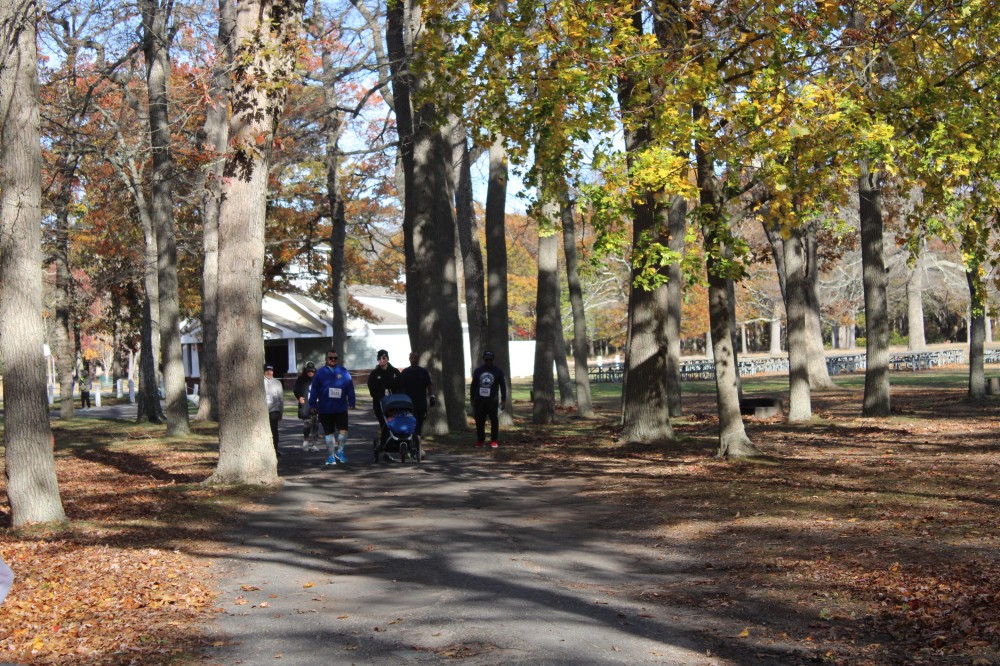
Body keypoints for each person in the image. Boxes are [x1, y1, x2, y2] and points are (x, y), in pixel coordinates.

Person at [309, 349, 356, 465]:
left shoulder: (343, 371)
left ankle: (340, 451)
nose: (333, 360)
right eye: (331, 358)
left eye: (335, 358)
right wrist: (312, 404)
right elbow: (314, 389)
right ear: (326, 359)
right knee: (329, 433)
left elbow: (350, 387)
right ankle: (331, 456)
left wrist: (352, 401)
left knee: (343, 431)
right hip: (325, 408)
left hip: (340, 408)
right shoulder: (320, 373)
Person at [470, 350, 506, 448]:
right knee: (479, 420)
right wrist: (472, 398)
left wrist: (503, 399)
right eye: (486, 360)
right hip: (480, 400)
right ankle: (480, 440)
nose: (488, 361)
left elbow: (503, 386)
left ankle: (494, 440)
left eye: (490, 359)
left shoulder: (498, 371)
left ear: (492, 359)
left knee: (494, 420)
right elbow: (473, 385)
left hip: (492, 400)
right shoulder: (478, 371)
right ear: (484, 359)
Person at [367, 349, 401, 445]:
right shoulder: (374, 373)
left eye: (383, 357)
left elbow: (401, 386)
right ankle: (385, 444)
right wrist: (378, 395)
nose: (381, 360)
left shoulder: (395, 372)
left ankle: (398, 441)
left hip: (394, 403)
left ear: (387, 359)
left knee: (395, 422)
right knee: (384, 424)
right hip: (380, 404)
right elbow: (371, 387)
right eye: (379, 358)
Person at [400, 351, 435, 439]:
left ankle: (417, 440)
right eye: (411, 358)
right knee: (411, 422)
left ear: (418, 359)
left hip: (421, 403)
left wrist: (432, 396)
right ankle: (411, 440)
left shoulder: (424, 372)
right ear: (409, 359)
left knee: (419, 423)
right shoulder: (405, 372)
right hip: (408, 403)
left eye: (415, 358)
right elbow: (401, 387)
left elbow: (429, 385)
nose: (413, 360)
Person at [293, 362, 320, 451]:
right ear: (306, 371)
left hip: (316, 405)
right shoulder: (301, 379)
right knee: (307, 424)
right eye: (308, 371)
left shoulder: (318, 379)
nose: (310, 372)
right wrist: (299, 397)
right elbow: (295, 390)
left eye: (312, 371)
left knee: (315, 424)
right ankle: (306, 441)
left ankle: (314, 444)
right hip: (306, 405)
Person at [264, 364, 284, 457]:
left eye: (271, 371)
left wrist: (281, 411)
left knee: (274, 430)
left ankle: (275, 449)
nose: (269, 372)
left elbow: (281, 398)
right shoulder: (260, 382)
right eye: (267, 370)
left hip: (274, 409)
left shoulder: (277, 382)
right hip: (263, 411)